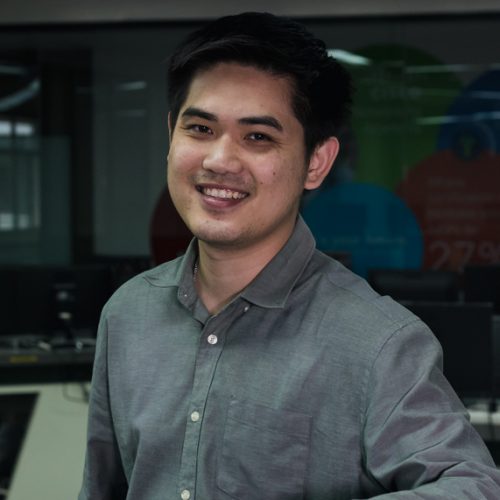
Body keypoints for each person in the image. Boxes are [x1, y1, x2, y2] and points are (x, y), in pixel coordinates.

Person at [79, 12, 500, 500]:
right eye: (200, 128)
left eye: (258, 137)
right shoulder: (127, 313)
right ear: (172, 133)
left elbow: (474, 486)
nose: (219, 160)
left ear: (316, 162)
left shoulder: (378, 342)